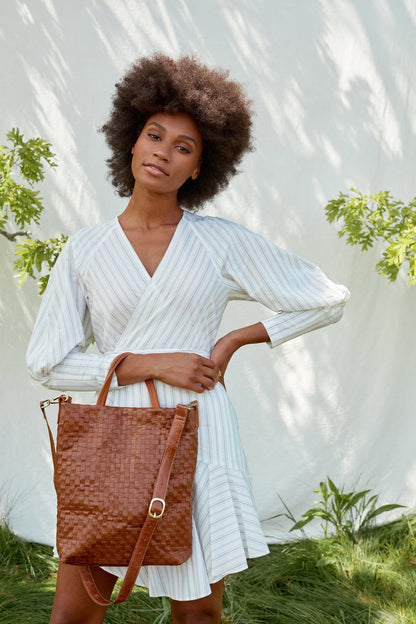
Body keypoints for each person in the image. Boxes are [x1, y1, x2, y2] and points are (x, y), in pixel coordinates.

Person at [27, 53, 350, 624]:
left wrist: (233, 341)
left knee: (199, 612)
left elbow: (327, 297)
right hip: (114, 436)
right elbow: (46, 363)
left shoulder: (218, 242)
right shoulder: (86, 250)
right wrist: (150, 364)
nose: (163, 152)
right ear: (131, 141)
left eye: (184, 146)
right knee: (75, 612)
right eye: (155, 135)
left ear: (200, 168)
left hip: (199, 433)